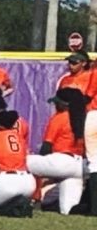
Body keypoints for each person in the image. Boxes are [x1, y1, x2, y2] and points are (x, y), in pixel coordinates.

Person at [29, 80, 86, 214]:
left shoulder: (60, 117)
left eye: (57, 102)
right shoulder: (86, 117)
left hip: (60, 161)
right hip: (80, 166)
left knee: (22, 162)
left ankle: (34, 200)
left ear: (65, 104)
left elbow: (46, 147)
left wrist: (42, 165)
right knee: (68, 210)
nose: (55, 104)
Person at [0, 108, 37, 216]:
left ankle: (13, 210)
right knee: (2, 201)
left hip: (8, 181)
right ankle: (17, 205)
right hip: (29, 182)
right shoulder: (20, 137)